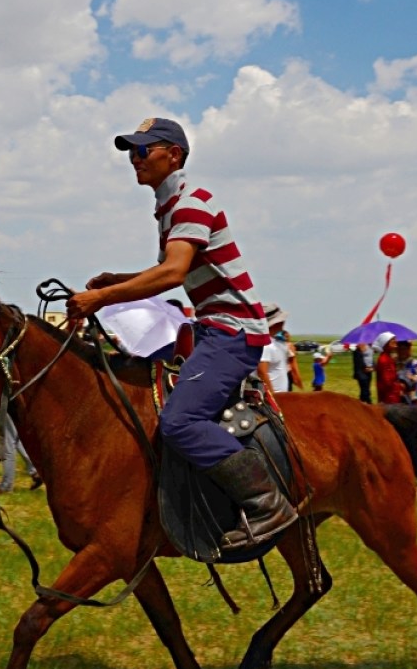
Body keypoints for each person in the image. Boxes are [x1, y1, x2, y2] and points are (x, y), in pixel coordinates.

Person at [67, 116, 296, 547]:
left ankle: (267, 504)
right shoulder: (171, 207)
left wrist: (103, 298)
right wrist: (118, 278)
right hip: (211, 329)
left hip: (233, 332)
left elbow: (173, 273)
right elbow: (169, 269)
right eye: (130, 153)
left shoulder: (192, 203)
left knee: (179, 421)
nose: (134, 160)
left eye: (142, 151)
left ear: (173, 155)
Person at [258, 305, 301, 396]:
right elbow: (262, 372)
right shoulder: (266, 345)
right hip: (272, 398)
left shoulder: (277, 343)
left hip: (282, 396)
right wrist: (272, 397)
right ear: (276, 323)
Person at [373, 331, 404, 404]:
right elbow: (387, 382)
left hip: (391, 397)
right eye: (392, 340)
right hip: (389, 399)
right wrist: (400, 386)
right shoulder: (384, 360)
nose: (395, 341)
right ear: (386, 343)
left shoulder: (388, 358)